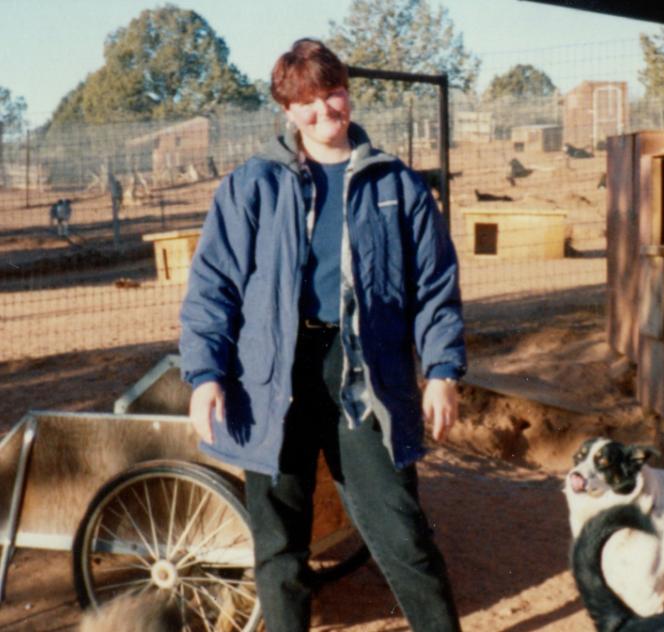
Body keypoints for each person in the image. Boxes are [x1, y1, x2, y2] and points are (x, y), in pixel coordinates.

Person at [179, 38, 465, 632]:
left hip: (363, 370)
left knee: (402, 531)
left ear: (348, 93)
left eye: (331, 94)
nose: (323, 111)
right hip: (272, 373)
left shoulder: (397, 185)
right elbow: (214, 286)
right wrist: (205, 374)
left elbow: (435, 286)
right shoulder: (252, 185)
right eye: (306, 102)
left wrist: (441, 370)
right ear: (287, 111)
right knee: (280, 545)